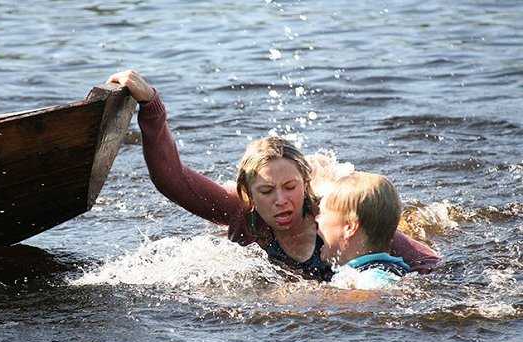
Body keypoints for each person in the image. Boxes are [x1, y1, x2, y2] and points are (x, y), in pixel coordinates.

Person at [106, 70, 441, 281]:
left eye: (290, 187)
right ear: (249, 195)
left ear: (305, 184)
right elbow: (173, 180)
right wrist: (151, 106)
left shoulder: (340, 221)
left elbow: (427, 263)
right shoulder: (243, 216)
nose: (281, 201)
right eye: (266, 191)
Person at [316, 171, 411, 288]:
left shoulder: (372, 279)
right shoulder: (384, 270)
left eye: (322, 213)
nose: (316, 219)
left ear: (349, 227)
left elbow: (378, 300)